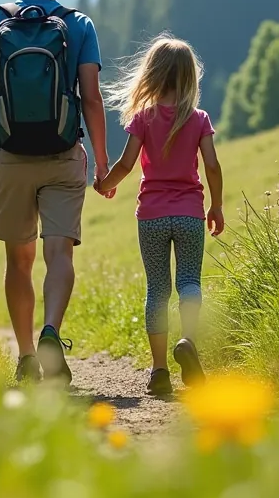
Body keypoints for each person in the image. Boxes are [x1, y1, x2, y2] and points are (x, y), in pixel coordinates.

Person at [0, 0, 111, 385]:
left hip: (10, 154)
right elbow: (91, 98)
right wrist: (102, 161)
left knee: (19, 261)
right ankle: (52, 331)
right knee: (59, 251)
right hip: (64, 152)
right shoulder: (79, 26)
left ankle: (27, 356)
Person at [94, 34, 224, 397]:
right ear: (189, 77)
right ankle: (188, 341)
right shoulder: (198, 119)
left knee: (157, 289)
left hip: (151, 215)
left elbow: (126, 163)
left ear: (152, 74)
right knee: (189, 282)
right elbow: (211, 165)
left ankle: (159, 371)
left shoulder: (144, 118)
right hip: (189, 215)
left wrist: (105, 184)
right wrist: (216, 204)